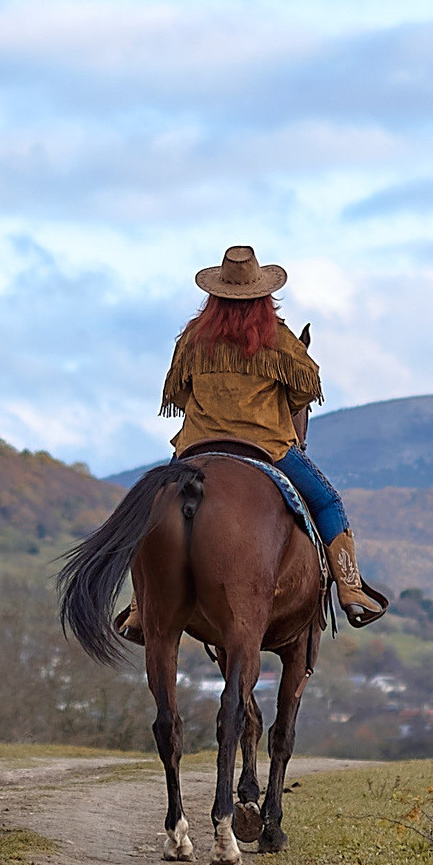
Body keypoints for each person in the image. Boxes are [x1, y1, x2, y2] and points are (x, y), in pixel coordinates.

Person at [141, 244, 387, 625]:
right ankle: (350, 590)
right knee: (327, 503)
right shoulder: (280, 340)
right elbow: (305, 390)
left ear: (214, 297)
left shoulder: (191, 339)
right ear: (264, 296)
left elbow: (176, 393)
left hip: (197, 444)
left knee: (150, 509)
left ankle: (142, 607)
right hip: (267, 446)